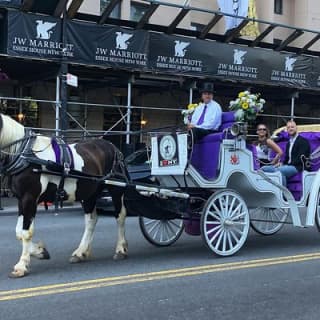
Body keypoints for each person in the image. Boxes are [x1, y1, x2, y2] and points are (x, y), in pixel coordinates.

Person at [262, 120, 310, 186]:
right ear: (287, 130)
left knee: (279, 171)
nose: (290, 129)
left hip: (298, 167)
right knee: (264, 169)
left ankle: (283, 194)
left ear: (296, 128)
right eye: (288, 127)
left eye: (292, 127)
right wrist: (281, 163)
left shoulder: (303, 141)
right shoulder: (289, 143)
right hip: (288, 166)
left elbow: (300, 160)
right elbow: (287, 158)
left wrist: (285, 165)